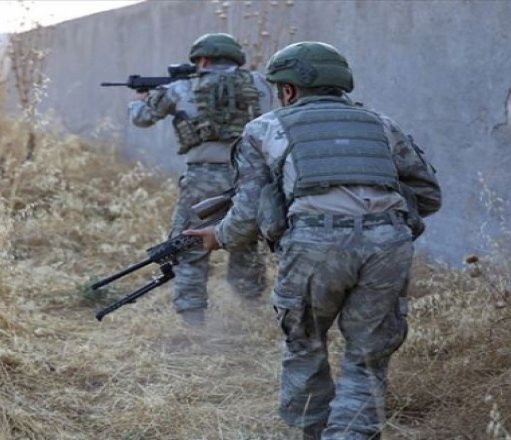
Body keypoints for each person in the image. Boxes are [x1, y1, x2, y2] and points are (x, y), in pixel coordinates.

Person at [185, 42, 441, 439]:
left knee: (305, 345)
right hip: (388, 247)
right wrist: (380, 221)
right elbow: (428, 194)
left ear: (288, 90)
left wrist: (217, 236)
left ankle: (311, 430)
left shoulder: (264, 129)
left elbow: (247, 214)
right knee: (367, 358)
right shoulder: (381, 124)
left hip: (313, 247)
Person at [129, 33, 274, 326]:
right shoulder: (259, 84)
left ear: (203, 60)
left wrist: (140, 100)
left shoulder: (180, 88)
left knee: (189, 245)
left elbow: (142, 118)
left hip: (203, 177)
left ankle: (193, 321)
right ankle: (251, 314)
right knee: (246, 240)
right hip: (251, 176)